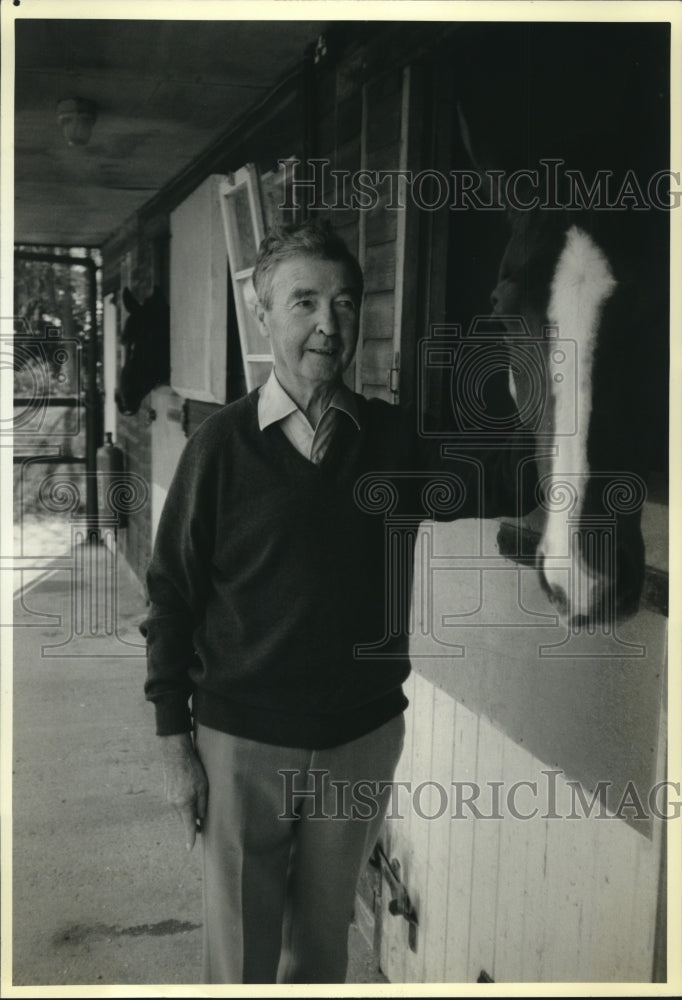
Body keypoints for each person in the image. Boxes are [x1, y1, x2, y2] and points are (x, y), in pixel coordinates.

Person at [141, 219, 536, 984]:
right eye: (306, 302)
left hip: (359, 737)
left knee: (322, 949)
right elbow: (170, 595)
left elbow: (508, 480)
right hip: (241, 741)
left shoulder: (392, 442)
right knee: (243, 954)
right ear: (263, 314)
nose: (330, 324)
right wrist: (173, 742)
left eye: (346, 303)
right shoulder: (219, 448)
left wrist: (557, 386)